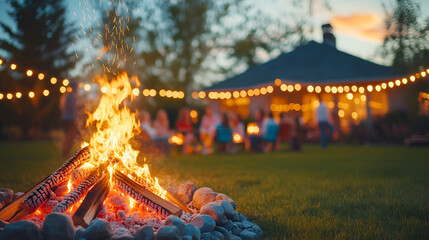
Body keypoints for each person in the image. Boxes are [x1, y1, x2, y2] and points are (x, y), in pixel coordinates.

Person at [60, 81, 78, 157]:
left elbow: (62, 107)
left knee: (68, 135)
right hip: (70, 118)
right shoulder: (72, 96)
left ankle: (65, 152)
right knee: (70, 135)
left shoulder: (66, 96)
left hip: (65, 117)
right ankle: (66, 152)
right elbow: (73, 107)